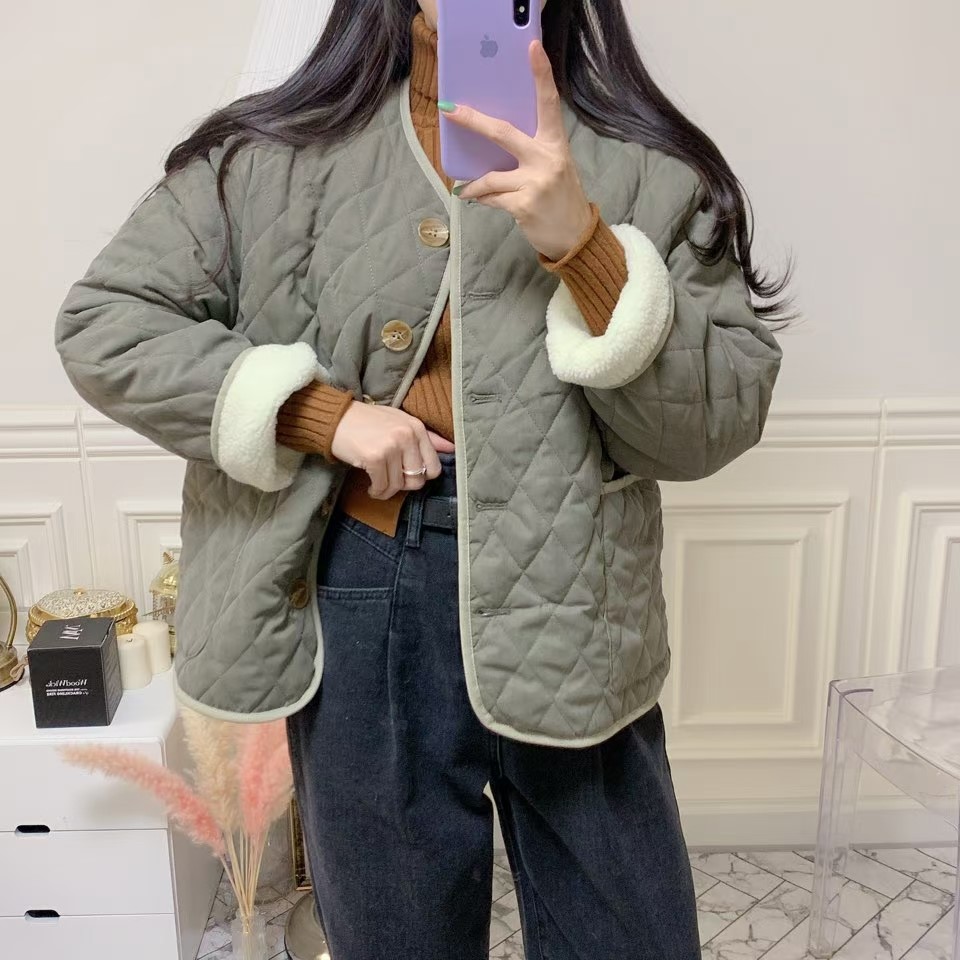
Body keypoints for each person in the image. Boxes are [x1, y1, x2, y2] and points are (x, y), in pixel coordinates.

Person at [54, 1, 789, 957]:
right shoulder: (273, 156)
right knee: (395, 935)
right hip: (367, 584)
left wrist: (585, 245)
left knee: (630, 935)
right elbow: (107, 323)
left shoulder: (652, 167)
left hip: (573, 586)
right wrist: (319, 414)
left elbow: (711, 426)